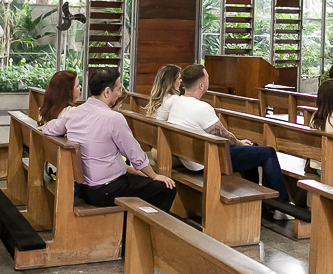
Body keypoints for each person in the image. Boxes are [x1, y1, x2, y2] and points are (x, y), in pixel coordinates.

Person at [41, 67, 176, 212]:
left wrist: (42, 127)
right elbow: (135, 155)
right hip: (108, 190)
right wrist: (154, 176)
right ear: (106, 92)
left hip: (87, 189)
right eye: (117, 89)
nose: (118, 93)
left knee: (140, 181)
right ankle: (144, 231)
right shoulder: (113, 118)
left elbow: (50, 128)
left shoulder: (74, 113)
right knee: (166, 188)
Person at [166, 65, 290, 203]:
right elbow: (223, 135)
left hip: (192, 159)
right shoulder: (201, 107)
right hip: (206, 162)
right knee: (268, 153)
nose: (208, 81)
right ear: (201, 86)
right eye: (207, 78)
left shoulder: (177, 102)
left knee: (253, 147)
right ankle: (282, 204)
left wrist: (240, 143)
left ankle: (256, 196)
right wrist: (239, 142)